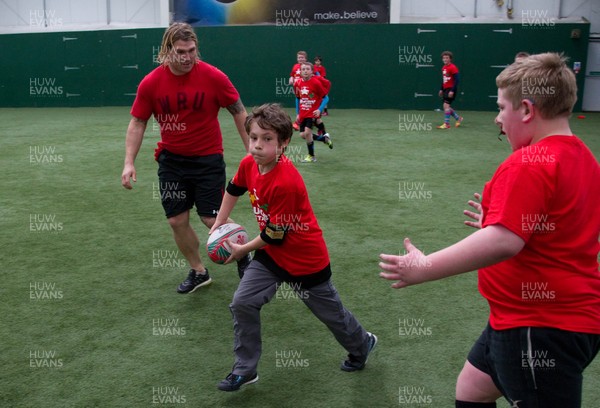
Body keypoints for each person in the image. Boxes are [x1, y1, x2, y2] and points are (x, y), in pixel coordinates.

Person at [380, 53, 600, 407]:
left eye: (501, 108)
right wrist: (500, 223)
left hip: (540, 325)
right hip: (539, 318)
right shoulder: (583, 157)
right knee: (472, 389)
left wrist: (425, 266)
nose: (498, 118)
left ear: (526, 110)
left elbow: (504, 242)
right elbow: (559, 226)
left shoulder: (528, 163)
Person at [213, 103, 377, 391]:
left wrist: (242, 251)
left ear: (284, 143)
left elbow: (275, 234)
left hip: (305, 260)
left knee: (332, 316)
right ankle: (245, 369)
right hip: (271, 258)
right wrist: (220, 221)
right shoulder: (248, 164)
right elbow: (234, 188)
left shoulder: (287, 182)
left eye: (267, 139)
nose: (257, 146)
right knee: (242, 302)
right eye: (253, 138)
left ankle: (362, 343)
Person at [120, 22, 251, 293]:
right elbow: (138, 122)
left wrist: (251, 152)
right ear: (167, 51)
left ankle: (243, 251)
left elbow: (238, 111)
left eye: (192, 50)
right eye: (181, 51)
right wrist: (129, 161)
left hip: (208, 160)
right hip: (172, 162)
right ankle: (198, 271)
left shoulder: (214, 77)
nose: (188, 57)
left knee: (210, 219)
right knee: (176, 220)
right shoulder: (152, 82)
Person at [293, 62, 332, 162]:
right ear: (300, 72)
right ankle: (324, 139)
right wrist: (298, 113)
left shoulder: (315, 83)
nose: (305, 71)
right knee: (303, 135)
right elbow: (297, 99)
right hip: (303, 113)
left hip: (312, 113)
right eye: (303, 69)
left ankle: (311, 156)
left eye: (307, 69)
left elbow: (326, 98)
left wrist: (319, 110)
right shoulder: (297, 83)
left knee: (307, 132)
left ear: (312, 72)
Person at [437, 51, 463, 129]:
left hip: (451, 89)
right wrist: (441, 89)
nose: (445, 59)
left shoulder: (453, 67)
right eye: (444, 58)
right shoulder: (444, 68)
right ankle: (458, 118)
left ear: (450, 59)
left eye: (447, 58)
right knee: (446, 107)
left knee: (446, 105)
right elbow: (444, 80)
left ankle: (446, 124)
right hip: (445, 89)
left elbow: (457, 80)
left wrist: (452, 90)